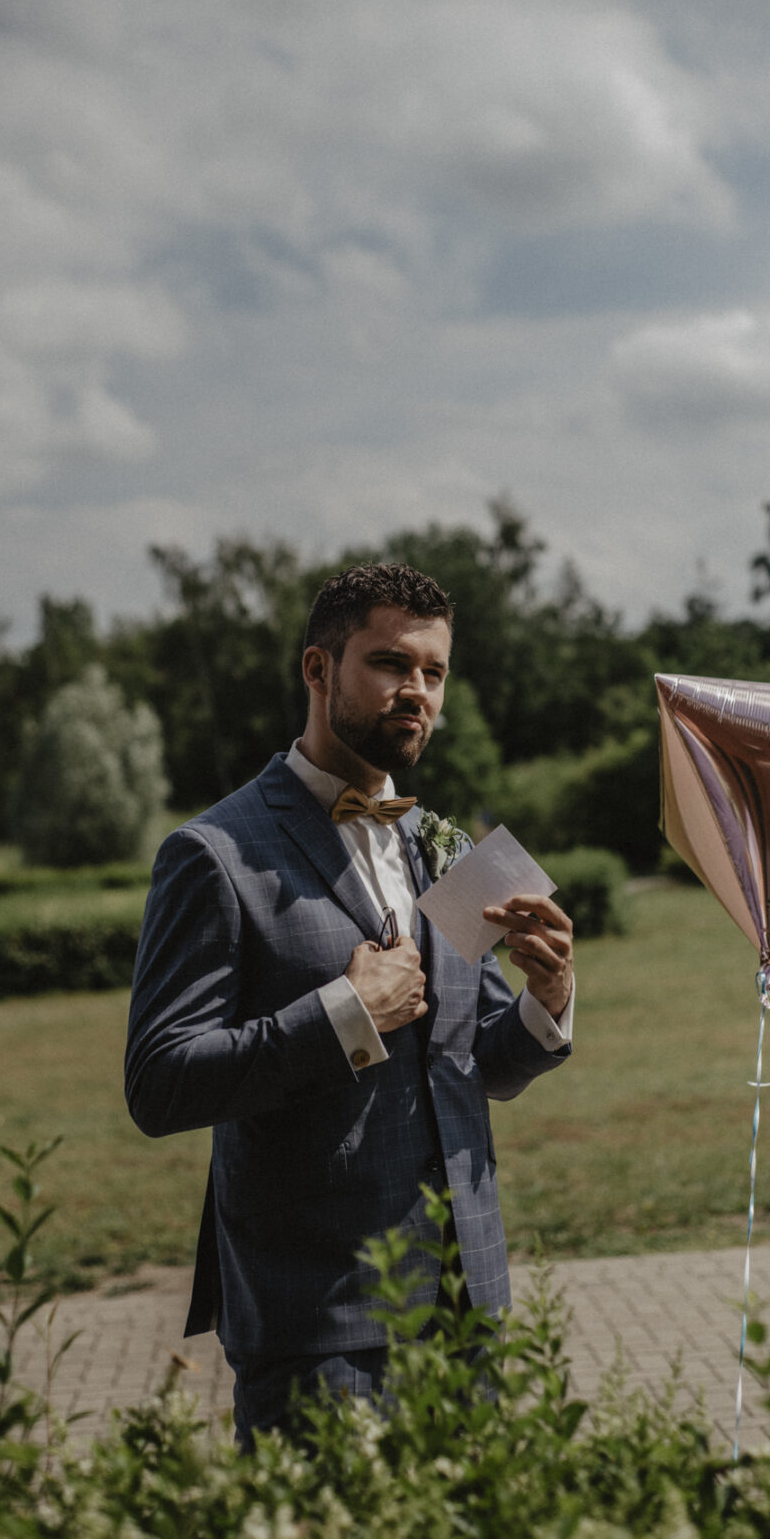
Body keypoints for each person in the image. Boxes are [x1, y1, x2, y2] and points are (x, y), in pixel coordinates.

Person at [125, 562, 575, 1448]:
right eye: (389, 663)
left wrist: (546, 1001)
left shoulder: (439, 843)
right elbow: (160, 1083)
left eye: (434, 673)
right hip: (321, 1325)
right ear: (318, 670)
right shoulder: (213, 856)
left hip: (467, 1303)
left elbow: (472, 1060)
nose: (417, 693)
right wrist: (345, 1014)